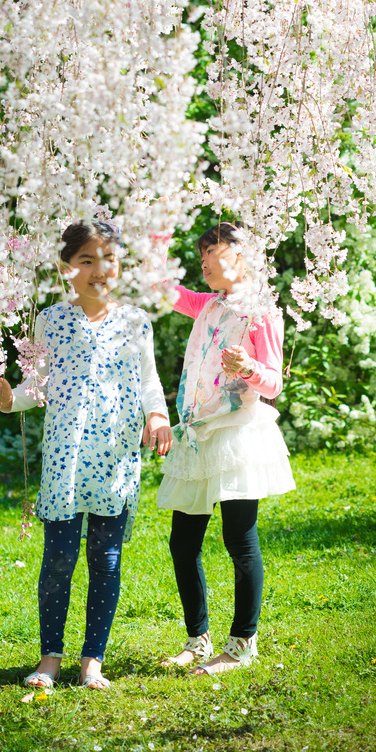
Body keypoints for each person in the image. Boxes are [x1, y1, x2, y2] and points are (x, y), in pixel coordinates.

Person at [0, 220, 171, 691]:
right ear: (66, 267)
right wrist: (9, 400)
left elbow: (149, 381)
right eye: (86, 260)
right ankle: (50, 658)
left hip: (116, 454)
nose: (99, 270)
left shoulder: (136, 321)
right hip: (66, 455)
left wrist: (157, 416)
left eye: (108, 259)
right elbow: (39, 384)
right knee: (59, 558)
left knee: (106, 559)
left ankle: (93, 661)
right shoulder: (51, 320)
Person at [156, 222, 295, 675]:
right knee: (183, 544)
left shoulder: (262, 312)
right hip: (198, 432)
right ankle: (197, 641)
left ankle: (241, 645)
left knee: (239, 539)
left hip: (237, 432)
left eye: (211, 252)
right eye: (201, 256)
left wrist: (249, 367)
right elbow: (162, 289)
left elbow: (273, 383)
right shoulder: (208, 304)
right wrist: (157, 236)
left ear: (241, 253)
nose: (204, 262)